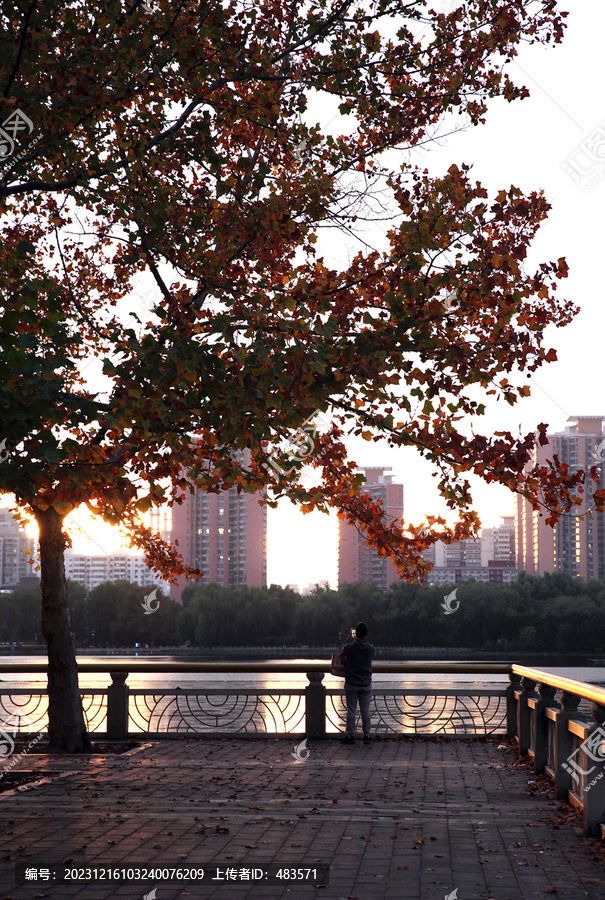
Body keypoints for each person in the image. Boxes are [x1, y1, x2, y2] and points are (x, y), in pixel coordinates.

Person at [340, 621, 375, 745]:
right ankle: (366, 736)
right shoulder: (371, 648)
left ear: (356, 634)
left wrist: (348, 639)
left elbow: (341, 652)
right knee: (365, 710)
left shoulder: (350, 647)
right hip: (366, 684)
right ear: (366, 634)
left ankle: (350, 736)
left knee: (351, 710)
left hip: (351, 683)